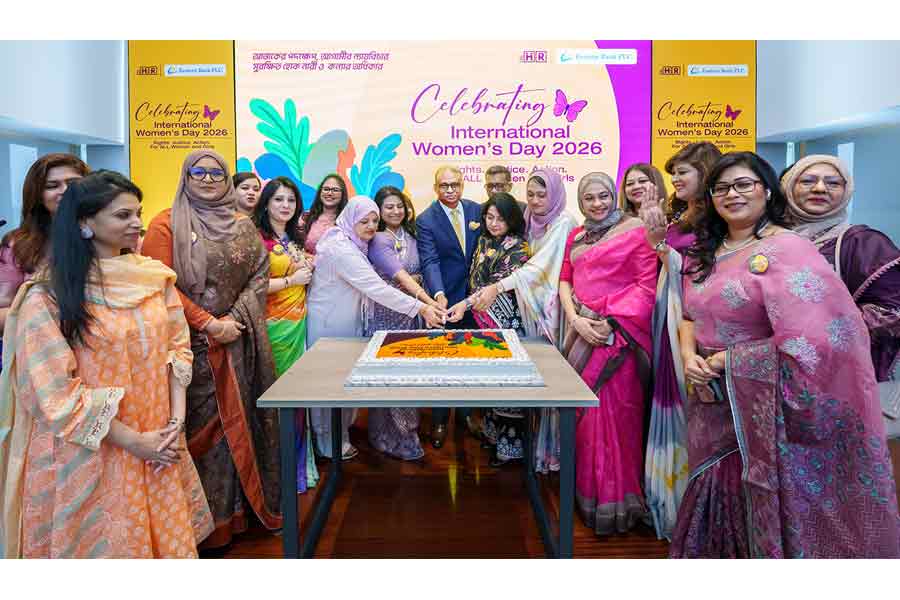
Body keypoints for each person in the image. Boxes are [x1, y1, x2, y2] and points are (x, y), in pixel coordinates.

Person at [672, 151, 900, 558]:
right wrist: (688, 354)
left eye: (744, 184)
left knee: (761, 497)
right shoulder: (704, 251)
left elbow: (824, 339)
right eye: (722, 188)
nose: (733, 194)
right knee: (712, 488)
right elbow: (689, 313)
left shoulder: (788, 248)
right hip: (711, 402)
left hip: (767, 408)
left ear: (766, 190)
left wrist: (732, 359)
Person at [0, 171, 213, 557]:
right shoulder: (48, 297)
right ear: (84, 222)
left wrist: (174, 424)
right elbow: (53, 394)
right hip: (92, 452)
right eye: (123, 216)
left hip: (158, 444)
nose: (138, 224)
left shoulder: (153, 278)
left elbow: (178, 350)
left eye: (138, 213)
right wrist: (134, 442)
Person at [141, 150, 281, 549]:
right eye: (197, 172)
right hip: (187, 350)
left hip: (237, 340)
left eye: (215, 172)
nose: (206, 178)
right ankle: (198, 528)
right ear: (185, 177)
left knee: (236, 428)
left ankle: (234, 518)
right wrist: (208, 324)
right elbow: (162, 285)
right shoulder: (165, 225)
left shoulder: (242, 225)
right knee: (199, 434)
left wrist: (232, 320)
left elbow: (259, 273)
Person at [782, 154, 900, 495]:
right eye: (808, 181)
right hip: (780, 377)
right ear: (789, 187)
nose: (820, 188)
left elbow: (891, 311)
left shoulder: (862, 243)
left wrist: (819, 333)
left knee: (838, 479)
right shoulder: (769, 238)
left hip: (843, 381)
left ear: (846, 191)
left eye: (833, 183)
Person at [306, 195, 445, 459]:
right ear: (349, 219)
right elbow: (377, 288)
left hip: (347, 320)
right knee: (327, 384)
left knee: (342, 382)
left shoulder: (351, 242)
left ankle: (339, 435)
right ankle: (327, 443)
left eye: (374, 221)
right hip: (329, 323)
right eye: (364, 221)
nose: (371, 226)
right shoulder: (341, 248)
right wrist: (422, 307)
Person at [557, 172, 657, 535]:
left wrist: (610, 323)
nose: (597, 204)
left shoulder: (636, 230)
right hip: (581, 331)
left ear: (613, 196)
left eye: (603, 196)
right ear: (580, 202)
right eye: (589, 199)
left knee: (615, 419)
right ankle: (587, 493)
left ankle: (616, 502)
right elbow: (565, 280)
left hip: (618, 338)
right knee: (584, 417)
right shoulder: (577, 235)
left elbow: (646, 286)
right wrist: (575, 320)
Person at [639, 141, 721, 540]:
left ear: (704, 174)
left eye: (682, 173)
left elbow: (701, 273)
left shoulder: (716, 222)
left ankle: (697, 508)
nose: (675, 180)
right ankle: (672, 500)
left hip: (692, 324)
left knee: (696, 411)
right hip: (666, 314)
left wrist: (659, 243)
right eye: (673, 174)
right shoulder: (682, 216)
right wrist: (658, 240)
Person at [474, 168, 578, 472]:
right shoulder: (530, 221)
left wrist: (497, 287)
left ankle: (539, 449)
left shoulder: (563, 223)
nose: (534, 200)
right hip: (518, 308)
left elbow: (538, 269)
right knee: (511, 380)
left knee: (535, 382)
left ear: (556, 194)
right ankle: (518, 441)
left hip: (547, 310)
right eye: (530, 194)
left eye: (542, 194)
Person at [448, 192, 530, 466]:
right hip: (483, 322)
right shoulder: (483, 240)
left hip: (506, 323)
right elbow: (475, 278)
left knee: (509, 385)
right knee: (492, 381)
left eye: (501, 218)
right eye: (490, 217)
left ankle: (511, 451)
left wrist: (464, 304)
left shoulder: (519, 247)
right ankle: (493, 436)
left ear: (512, 219)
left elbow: (492, 289)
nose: (494, 223)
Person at [253, 176, 319, 492]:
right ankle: (280, 476)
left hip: (299, 325)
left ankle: (299, 471)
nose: (285, 206)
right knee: (283, 401)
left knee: (299, 400)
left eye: (291, 200)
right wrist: (292, 282)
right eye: (279, 199)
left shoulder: (292, 238)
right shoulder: (256, 239)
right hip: (274, 328)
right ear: (266, 203)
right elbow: (253, 287)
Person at [365, 186, 441, 461]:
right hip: (388, 313)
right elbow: (401, 277)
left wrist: (428, 296)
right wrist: (426, 299)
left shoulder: (410, 235)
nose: (395, 211)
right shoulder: (379, 239)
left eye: (399, 206)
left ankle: (408, 429)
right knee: (390, 375)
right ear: (379, 212)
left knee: (410, 375)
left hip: (413, 315)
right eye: (389, 207)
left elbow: (420, 271)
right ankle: (390, 435)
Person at [417, 165, 483, 448]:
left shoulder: (476, 211)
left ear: (463, 185)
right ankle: (440, 420)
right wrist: (439, 293)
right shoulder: (426, 219)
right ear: (435, 188)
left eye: (455, 184)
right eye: (444, 185)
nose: (450, 190)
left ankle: (468, 415)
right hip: (447, 300)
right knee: (443, 362)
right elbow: (430, 260)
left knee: (471, 359)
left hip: (477, 300)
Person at [0, 153, 90, 333]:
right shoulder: (18, 245)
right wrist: (51, 318)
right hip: (40, 348)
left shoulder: (109, 236)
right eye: (52, 186)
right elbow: (2, 312)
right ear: (38, 196)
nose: (65, 190)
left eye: (73, 184)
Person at [301, 174, 348, 256]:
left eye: (335, 190)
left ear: (342, 194)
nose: (330, 193)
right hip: (305, 265)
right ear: (320, 192)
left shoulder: (347, 221)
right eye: (326, 189)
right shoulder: (307, 216)